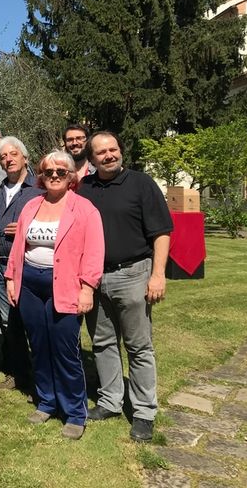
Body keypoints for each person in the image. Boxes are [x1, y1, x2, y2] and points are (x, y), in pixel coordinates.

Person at [78, 131, 173, 442]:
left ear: (120, 150)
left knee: (138, 346)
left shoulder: (141, 183)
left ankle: (144, 412)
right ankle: (110, 402)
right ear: (91, 159)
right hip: (95, 278)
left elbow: (161, 232)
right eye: (101, 152)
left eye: (113, 149)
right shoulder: (85, 188)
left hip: (133, 274)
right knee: (102, 343)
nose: (109, 155)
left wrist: (158, 274)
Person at [4, 151, 105, 440]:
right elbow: (19, 245)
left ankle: (74, 412)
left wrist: (87, 288)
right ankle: (46, 401)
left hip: (66, 286)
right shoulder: (32, 205)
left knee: (66, 351)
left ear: (71, 176)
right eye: (49, 172)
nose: (55, 176)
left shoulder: (85, 209)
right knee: (39, 346)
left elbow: (94, 252)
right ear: (41, 176)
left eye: (61, 171)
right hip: (29, 285)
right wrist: (11, 278)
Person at [0, 136, 42, 391]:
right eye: (3, 157)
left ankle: (40, 375)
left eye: (13, 154)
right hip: (0, 266)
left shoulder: (38, 188)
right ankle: (18, 373)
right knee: (8, 321)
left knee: (33, 320)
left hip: (26, 264)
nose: (8, 159)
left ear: (25, 157)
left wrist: (26, 228)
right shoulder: (1, 188)